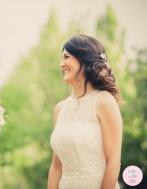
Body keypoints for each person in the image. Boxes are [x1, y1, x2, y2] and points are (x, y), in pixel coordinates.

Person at [48, 35, 122, 189]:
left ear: (84, 58)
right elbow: (56, 166)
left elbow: (113, 162)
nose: (61, 64)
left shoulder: (104, 102)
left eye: (66, 57)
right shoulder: (59, 109)